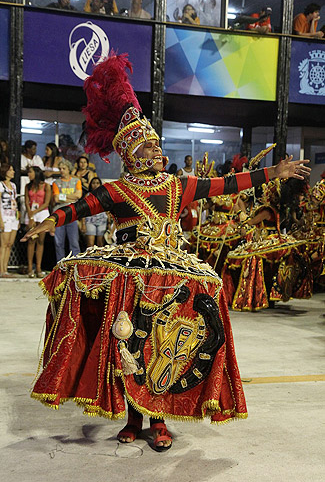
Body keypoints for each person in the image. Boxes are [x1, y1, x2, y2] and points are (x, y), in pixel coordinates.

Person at [22, 53, 310, 452]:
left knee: (167, 345)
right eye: (147, 146)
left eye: (156, 145)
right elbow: (79, 208)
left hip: (172, 278)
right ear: (129, 153)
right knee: (128, 346)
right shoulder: (119, 190)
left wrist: (273, 173)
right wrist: (50, 221)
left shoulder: (178, 187)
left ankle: (159, 421)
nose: (157, 151)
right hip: (132, 279)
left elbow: (226, 185)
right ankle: (132, 417)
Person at [52, 159, 82, 261]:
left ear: (69, 169)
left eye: (64, 168)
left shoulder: (76, 181)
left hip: (72, 213)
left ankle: (75, 263)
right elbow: (56, 198)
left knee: (74, 241)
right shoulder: (56, 182)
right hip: (59, 213)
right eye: (60, 169)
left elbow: (78, 196)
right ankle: (60, 264)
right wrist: (71, 197)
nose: (61, 170)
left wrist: (63, 197)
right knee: (59, 242)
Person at [25, 167, 51, 278]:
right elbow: (26, 201)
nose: (28, 174)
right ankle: (30, 268)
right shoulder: (28, 186)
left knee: (40, 241)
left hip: (42, 213)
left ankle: (39, 268)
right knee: (31, 240)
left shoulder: (46, 186)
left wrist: (35, 211)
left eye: (30, 172)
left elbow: (46, 203)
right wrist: (30, 213)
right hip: (31, 213)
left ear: (36, 173)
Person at [0, 163, 19, 277]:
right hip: (4, 216)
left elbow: (15, 201)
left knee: (9, 244)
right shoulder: (1, 185)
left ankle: (5, 269)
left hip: (13, 216)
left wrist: (17, 216)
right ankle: (1, 270)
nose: (13, 172)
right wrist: (0, 220)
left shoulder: (14, 185)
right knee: (3, 244)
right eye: (11, 170)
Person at [81, 177, 109, 247]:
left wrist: (109, 223)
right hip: (90, 220)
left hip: (102, 220)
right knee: (90, 244)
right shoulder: (87, 196)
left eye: (97, 183)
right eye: (93, 183)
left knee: (100, 244)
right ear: (91, 185)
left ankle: (99, 258)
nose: (95, 185)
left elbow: (108, 209)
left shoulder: (104, 195)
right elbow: (83, 210)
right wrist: (83, 223)